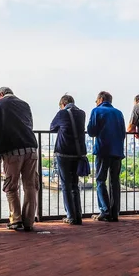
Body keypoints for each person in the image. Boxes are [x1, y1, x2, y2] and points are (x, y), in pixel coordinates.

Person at [0, 87, 38, 231]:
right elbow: (30, 124)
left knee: (11, 185)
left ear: (0, 95)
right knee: (30, 185)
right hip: (31, 148)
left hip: (11, 149)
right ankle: (29, 221)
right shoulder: (25, 104)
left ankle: (15, 219)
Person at [87, 91, 126, 222]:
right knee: (115, 181)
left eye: (96, 100)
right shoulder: (119, 113)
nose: (95, 103)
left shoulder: (96, 111)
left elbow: (91, 131)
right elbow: (123, 133)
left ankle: (105, 210)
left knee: (100, 180)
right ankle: (115, 213)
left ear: (101, 99)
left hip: (103, 150)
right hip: (118, 151)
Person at [50, 94, 86, 225]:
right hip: (78, 153)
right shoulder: (82, 113)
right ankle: (78, 215)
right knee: (75, 184)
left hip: (64, 152)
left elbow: (52, 127)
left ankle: (71, 216)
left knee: (65, 184)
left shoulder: (62, 114)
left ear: (63, 104)